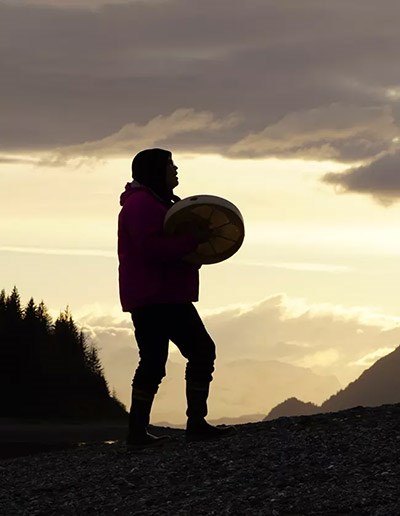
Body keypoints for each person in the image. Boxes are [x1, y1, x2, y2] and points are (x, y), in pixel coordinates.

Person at [118, 148, 235, 448]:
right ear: (156, 170)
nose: (176, 169)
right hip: (157, 296)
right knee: (198, 351)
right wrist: (194, 240)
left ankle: (138, 431)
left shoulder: (152, 202)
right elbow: (152, 250)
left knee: (156, 360)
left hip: (156, 295)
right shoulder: (142, 206)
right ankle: (191, 423)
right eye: (170, 164)